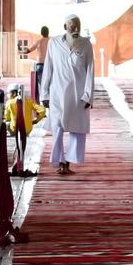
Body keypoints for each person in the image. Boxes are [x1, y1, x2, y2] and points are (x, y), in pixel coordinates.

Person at [40, 14, 94, 175]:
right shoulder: (54, 43)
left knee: (77, 129)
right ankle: (60, 161)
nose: (75, 28)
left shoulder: (85, 44)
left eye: (77, 25)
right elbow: (48, 68)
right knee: (57, 127)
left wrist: (88, 95)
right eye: (72, 25)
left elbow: (90, 70)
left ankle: (68, 163)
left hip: (78, 94)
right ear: (65, 27)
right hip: (57, 93)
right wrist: (45, 94)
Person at [4, 83, 45, 176]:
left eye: (9, 93)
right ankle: (18, 167)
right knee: (21, 147)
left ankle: (18, 168)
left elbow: (7, 118)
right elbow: (42, 111)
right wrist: (36, 120)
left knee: (19, 148)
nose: (7, 95)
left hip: (15, 129)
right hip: (27, 129)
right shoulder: (28, 101)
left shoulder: (10, 103)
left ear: (14, 93)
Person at [25, 26, 50, 101]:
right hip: (49, 65)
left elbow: (28, 51)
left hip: (40, 65)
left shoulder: (39, 41)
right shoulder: (52, 41)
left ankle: (41, 100)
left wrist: (21, 48)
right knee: (49, 83)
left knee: (41, 84)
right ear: (48, 32)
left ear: (41, 33)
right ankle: (49, 99)